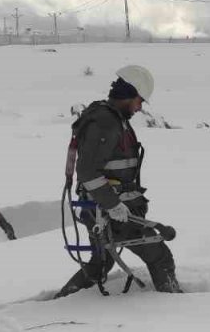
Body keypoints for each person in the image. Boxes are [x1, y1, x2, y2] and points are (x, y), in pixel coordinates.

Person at [55, 65, 182, 298]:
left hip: (100, 210)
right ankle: (175, 303)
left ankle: (60, 302)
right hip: (108, 213)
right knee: (159, 254)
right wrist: (113, 205)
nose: (140, 107)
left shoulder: (110, 118)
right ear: (129, 94)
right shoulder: (106, 123)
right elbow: (87, 171)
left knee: (101, 263)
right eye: (139, 100)